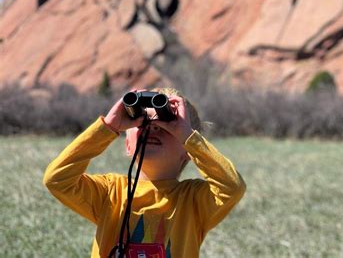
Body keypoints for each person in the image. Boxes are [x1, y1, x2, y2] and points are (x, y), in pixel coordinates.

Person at [43, 87, 246, 257]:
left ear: (188, 150)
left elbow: (232, 187)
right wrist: (107, 128)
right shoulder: (109, 193)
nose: (153, 128)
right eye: (142, 123)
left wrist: (189, 138)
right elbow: (57, 179)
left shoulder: (193, 201)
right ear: (127, 145)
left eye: (166, 126)